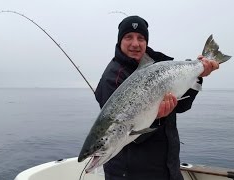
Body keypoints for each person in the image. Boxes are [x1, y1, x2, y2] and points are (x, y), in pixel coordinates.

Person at [94, 16, 219, 180]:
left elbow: (182, 106)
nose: (135, 44)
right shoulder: (112, 79)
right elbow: (130, 137)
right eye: (128, 37)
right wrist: (157, 117)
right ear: (119, 41)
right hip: (132, 174)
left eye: (141, 38)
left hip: (168, 168)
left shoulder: (157, 67)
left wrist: (199, 73)